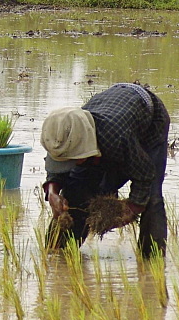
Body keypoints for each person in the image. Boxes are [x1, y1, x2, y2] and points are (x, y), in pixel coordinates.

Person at [40, 82, 170, 256]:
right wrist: (53, 192)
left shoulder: (117, 138)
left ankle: (152, 264)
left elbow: (145, 174)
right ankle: (56, 255)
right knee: (76, 191)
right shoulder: (63, 133)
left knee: (151, 199)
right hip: (111, 117)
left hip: (149, 121)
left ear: (85, 147)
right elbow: (57, 166)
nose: (69, 164)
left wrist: (131, 209)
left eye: (73, 159)